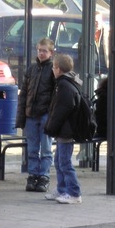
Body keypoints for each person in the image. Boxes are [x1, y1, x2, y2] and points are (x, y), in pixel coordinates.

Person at [16, 37, 56, 193]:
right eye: (39, 50)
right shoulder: (31, 69)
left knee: (46, 148)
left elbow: (55, 94)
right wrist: (21, 116)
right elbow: (24, 93)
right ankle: (33, 175)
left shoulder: (53, 69)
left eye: (44, 51)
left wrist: (51, 113)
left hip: (45, 113)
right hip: (31, 114)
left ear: (51, 53)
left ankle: (44, 176)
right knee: (32, 148)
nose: (41, 53)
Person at [44, 53, 82, 204]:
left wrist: (50, 127)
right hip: (65, 130)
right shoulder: (66, 82)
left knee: (64, 162)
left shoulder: (64, 85)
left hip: (66, 131)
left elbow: (61, 110)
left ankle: (74, 193)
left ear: (58, 69)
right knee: (59, 160)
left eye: (53, 67)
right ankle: (62, 189)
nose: (52, 70)